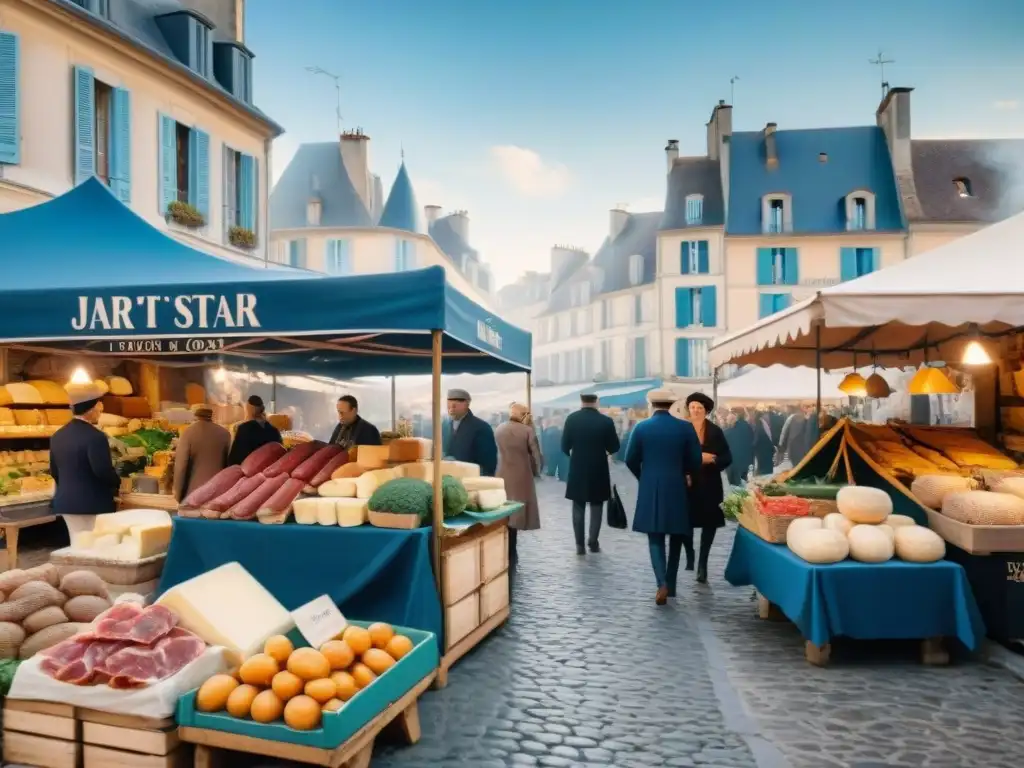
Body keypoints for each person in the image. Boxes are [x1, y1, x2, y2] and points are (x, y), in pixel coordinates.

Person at [625, 389, 703, 605]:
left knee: (655, 536)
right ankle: (672, 582)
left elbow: (630, 459)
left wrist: (643, 476)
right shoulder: (685, 428)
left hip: (651, 485)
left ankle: (661, 583)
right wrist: (686, 472)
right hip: (677, 484)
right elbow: (696, 460)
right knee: (677, 534)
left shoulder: (641, 427)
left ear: (651, 404)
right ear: (671, 405)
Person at [49, 381, 120, 539]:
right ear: (93, 408)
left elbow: (54, 471)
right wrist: (117, 482)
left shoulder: (57, 436)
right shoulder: (96, 436)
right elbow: (102, 470)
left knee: (78, 544)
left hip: (66, 502)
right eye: (99, 406)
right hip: (92, 503)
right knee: (94, 546)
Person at [683, 392, 733, 583]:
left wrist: (713, 460)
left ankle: (702, 563)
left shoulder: (715, 431)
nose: (695, 410)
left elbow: (727, 457)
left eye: (699, 408)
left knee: (709, 524)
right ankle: (690, 554)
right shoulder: (682, 429)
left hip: (710, 484)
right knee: (685, 522)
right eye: (693, 407)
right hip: (687, 483)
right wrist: (695, 460)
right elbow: (676, 455)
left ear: (706, 411)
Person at [561, 393, 620, 555]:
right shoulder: (606, 421)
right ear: (596, 403)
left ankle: (579, 545)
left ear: (581, 402)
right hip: (598, 467)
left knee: (578, 506)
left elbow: (564, 446)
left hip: (577, 467)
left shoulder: (571, 419)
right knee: (597, 505)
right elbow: (615, 447)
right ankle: (593, 541)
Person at [495, 402, 542, 561]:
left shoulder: (499, 428)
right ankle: (512, 547)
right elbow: (536, 454)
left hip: (502, 472)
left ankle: (505, 543)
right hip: (521, 473)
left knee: (504, 507)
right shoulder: (527, 430)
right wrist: (537, 470)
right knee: (517, 508)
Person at [173, 404, 231, 502]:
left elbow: (181, 466)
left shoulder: (189, 432)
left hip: (194, 494)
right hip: (218, 494)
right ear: (210, 415)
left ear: (196, 415)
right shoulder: (225, 434)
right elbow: (229, 466)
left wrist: (178, 495)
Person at [443, 389, 497, 476]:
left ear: (467, 404)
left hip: (470, 481)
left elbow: (488, 465)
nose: (452, 405)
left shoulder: (482, 428)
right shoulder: (444, 425)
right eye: (450, 400)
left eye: (458, 401)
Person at [228, 395, 283, 466]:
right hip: (269, 473)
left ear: (248, 410)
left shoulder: (244, 429)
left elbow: (234, 460)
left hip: (249, 473)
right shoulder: (274, 431)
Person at [726, 407, 754, 485]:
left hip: (734, 463)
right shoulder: (747, 426)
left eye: (730, 414)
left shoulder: (729, 431)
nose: (727, 416)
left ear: (735, 415)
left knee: (735, 485)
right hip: (746, 462)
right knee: (744, 482)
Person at [752, 409, 776, 476]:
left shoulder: (759, 424)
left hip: (762, 450)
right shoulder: (762, 423)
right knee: (766, 468)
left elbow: (757, 438)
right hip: (767, 449)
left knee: (763, 470)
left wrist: (752, 446)